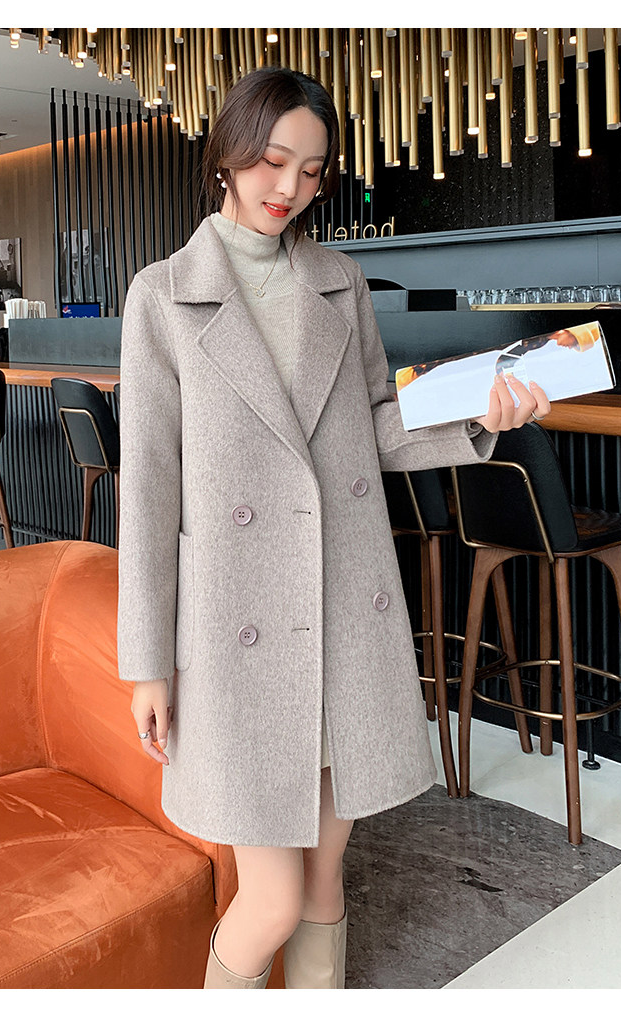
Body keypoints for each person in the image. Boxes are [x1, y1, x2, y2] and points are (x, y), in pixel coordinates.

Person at [117, 66, 551, 991]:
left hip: (342, 606)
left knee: (323, 882)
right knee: (271, 899)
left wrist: (479, 415)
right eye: (272, 161)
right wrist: (147, 661)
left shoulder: (338, 282)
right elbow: (147, 488)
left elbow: (374, 423)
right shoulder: (162, 295)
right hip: (236, 626)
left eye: (311, 171)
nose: (289, 188)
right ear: (227, 154)